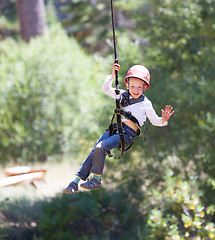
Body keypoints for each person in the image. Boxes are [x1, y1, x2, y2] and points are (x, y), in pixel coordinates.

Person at [64, 62, 174, 194]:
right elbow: (105, 89)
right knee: (95, 151)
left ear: (145, 87)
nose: (136, 90)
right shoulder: (121, 95)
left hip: (127, 134)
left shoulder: (146, 104)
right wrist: (112, 75)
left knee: (101, 148)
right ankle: (75, 182)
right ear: (127, 85)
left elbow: (155, 121)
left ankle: (96, 180)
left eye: (139, 87)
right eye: (133, 86)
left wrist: (164, 120)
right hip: (114, 129)